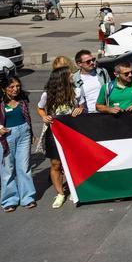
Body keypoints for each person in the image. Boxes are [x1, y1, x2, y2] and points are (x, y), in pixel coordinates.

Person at [35, 66, 84, 209]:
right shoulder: (47, 94)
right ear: (62, 78)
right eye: (69, 75)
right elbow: (40, 108)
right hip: (54, 132)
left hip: (72, 131)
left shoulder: (76, 91)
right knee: (56, 163)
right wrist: (44, 116)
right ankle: (60, 193)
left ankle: (74, 188)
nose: (72, 77)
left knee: (72, 161)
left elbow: (81, 106)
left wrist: (80, 109)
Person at [0, 76, 36, 212]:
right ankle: (9, 199)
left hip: (24, 133)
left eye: (18, 86)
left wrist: (31, 133)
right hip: (6, 136)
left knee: (24, 167)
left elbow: (27, 117)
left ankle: (28, 197)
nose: (16, 89)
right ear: (3, 89)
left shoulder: (23, 99)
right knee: (7, 168)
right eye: (12, 87)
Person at [73, 50, 105, 115]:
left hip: (104, 113)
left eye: (93, 59)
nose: (92, 62)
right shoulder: (74, 79)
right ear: (79, 64)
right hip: (86, 115)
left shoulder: (102, 72)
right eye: (88, 61)